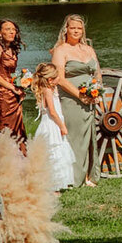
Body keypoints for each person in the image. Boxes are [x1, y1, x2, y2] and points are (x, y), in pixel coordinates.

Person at [49, 14, 102, 187]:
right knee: (75, 137)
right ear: (66, 29)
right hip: (71, 99)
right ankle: (72, 178)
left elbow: (97, 72)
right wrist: (80, 96)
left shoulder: (88, 49)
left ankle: (88, 175)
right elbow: (60, 79)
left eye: (79, 28)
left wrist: (97, 91)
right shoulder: (61, 50)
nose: (76, 31)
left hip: (90, 98)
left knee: (89, 137)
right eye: (73, 28)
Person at [30, 62, 76, 191]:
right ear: (50, 79)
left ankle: (61, 182)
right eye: (56, 78)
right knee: (53, 152)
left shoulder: (51, 89)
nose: (59, 80)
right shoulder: (47, 91)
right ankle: (52, 184)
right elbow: (53, 112)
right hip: (51, 124)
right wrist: (62, 126)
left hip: (54, 123)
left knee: (60, 153)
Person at [0, 19, 26, 144]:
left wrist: (21, 84)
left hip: (12, 93)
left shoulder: (12, 49)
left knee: (17, 129)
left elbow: (11, 74)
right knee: (4, 128)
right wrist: (13, 88)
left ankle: (20, 159)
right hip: (3, 94)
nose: (11, 32)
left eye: (13, 29)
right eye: (7, 29)